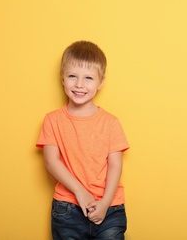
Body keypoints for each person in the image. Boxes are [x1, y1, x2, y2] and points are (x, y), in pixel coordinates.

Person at [36, 41, 129, 239]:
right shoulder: (52, 120)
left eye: (88, 78)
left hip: (109, 208)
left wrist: (104, 203)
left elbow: (115, 165)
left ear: (101, 82)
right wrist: (80, 192)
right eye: (72, 76)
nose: (79, 84)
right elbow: (51, 161)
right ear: (62, 78)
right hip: (68, 208)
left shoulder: (111, 123)